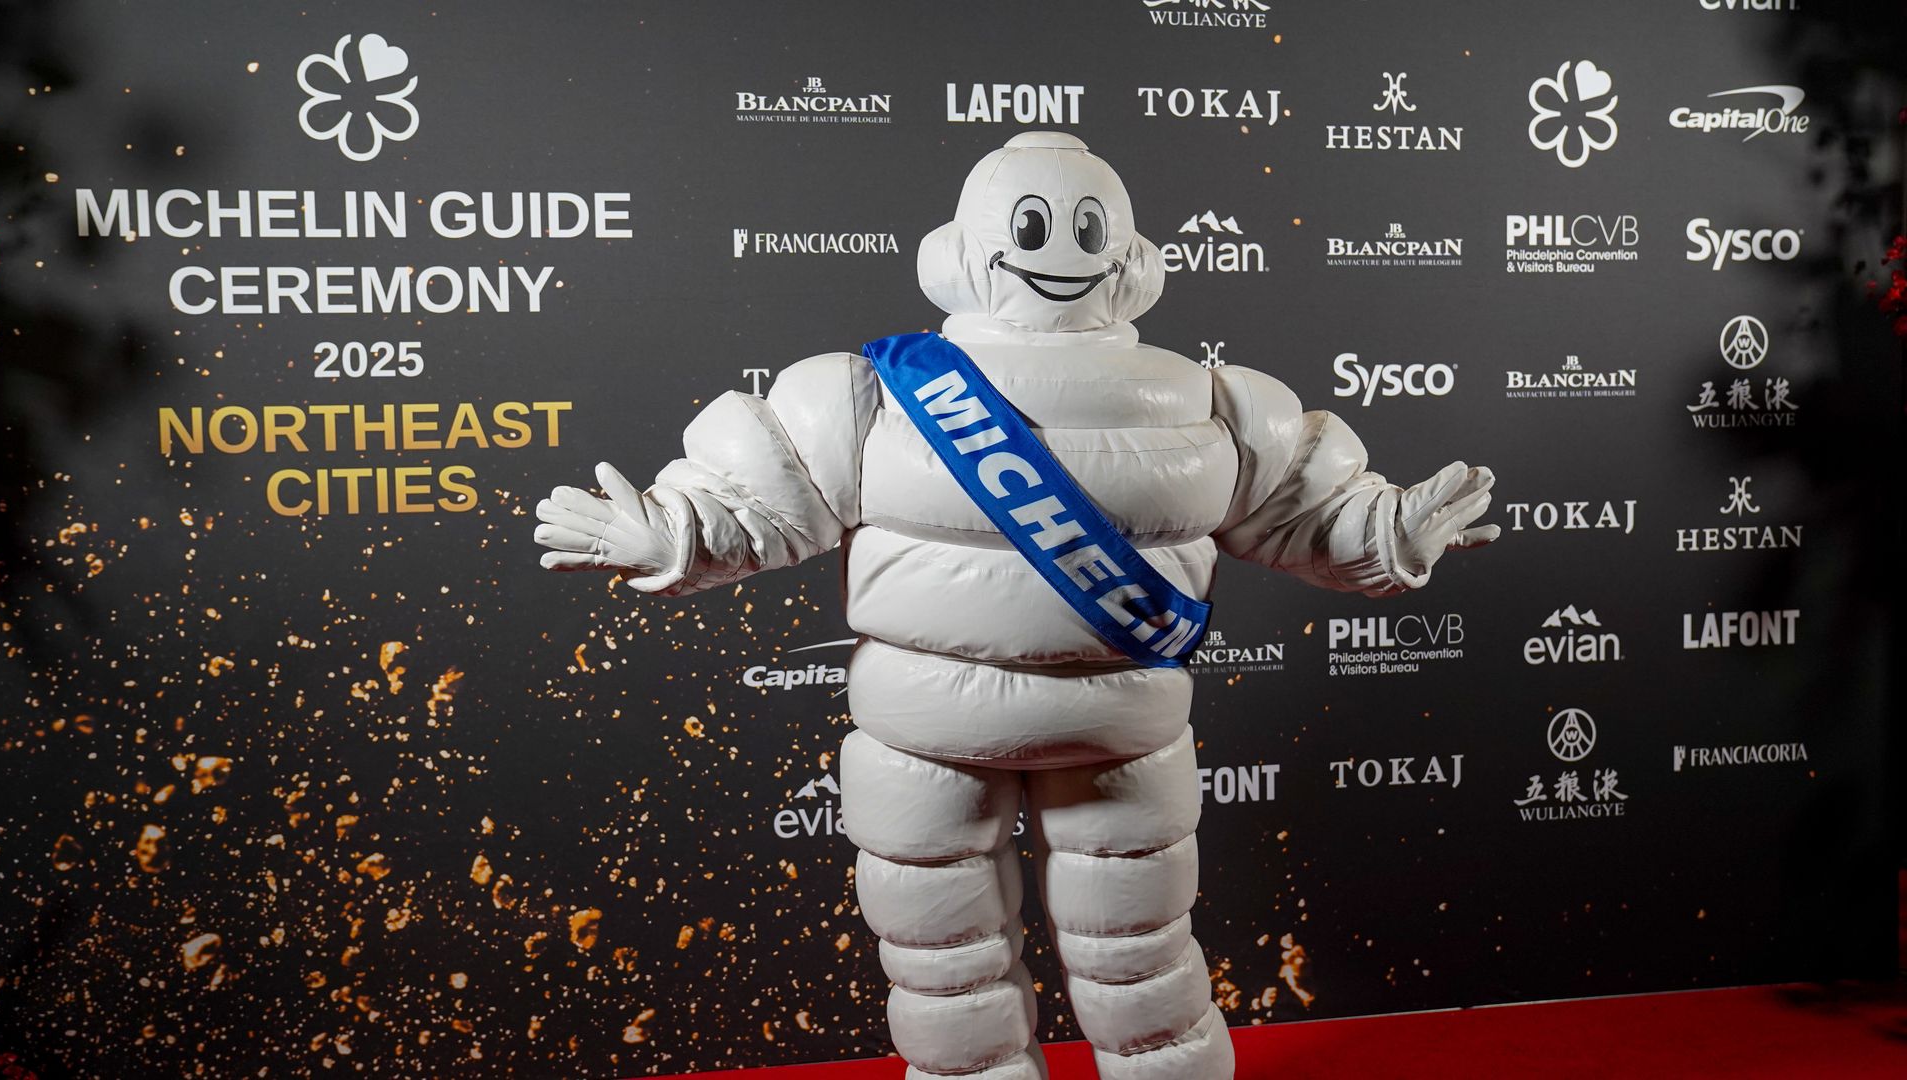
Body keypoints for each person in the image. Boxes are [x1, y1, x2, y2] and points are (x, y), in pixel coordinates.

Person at [534, 131, 1496, 1080]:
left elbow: (1306, 512)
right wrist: (670, 535)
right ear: (966, 248)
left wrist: (1388, 533)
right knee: (948, 972)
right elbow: (760, 502)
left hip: (1112, 736)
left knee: (1137, 959)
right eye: (1031, 226)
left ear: (1126, 253)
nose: (1058, 251)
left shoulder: (1212, 403)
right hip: (933, 741)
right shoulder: (872, 397)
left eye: (1085, 228)